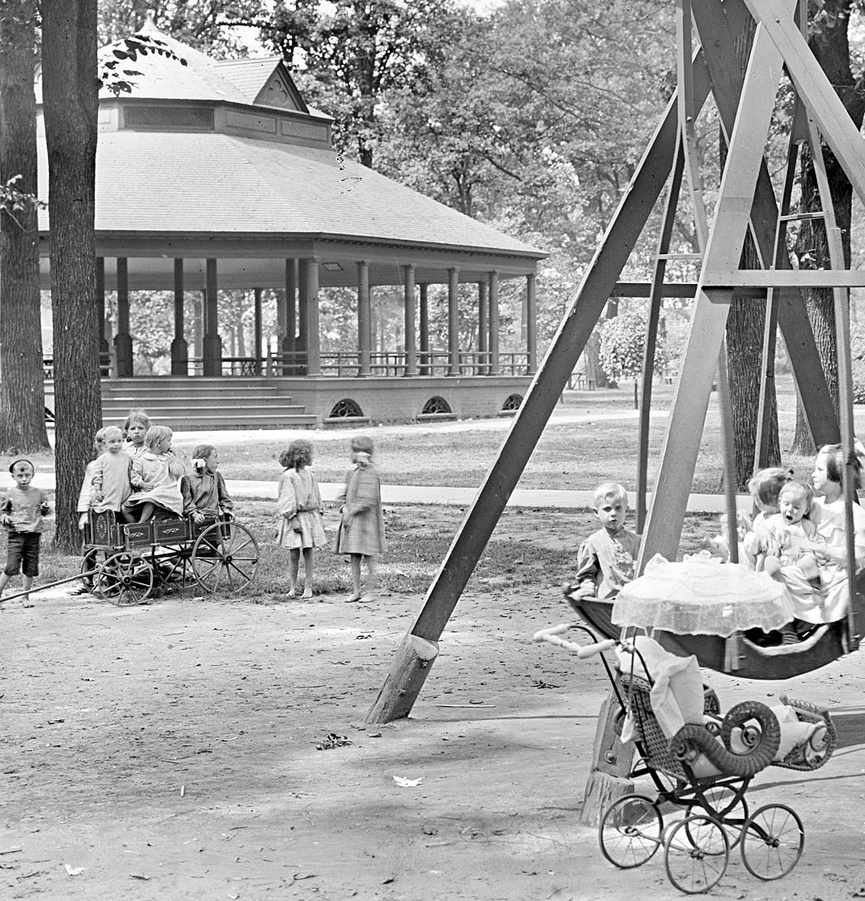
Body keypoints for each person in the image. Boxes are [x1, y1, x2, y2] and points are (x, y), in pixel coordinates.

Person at [567, 481, 641, 602]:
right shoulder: (593, 542)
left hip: (634, 601)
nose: (613, 514)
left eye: (618, 508)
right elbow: (587, 574)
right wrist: (587, 588)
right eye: (607, 509)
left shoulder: (637, 541)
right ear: (597, 512)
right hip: (608, 602)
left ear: (626, 511)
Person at [334, 435, 385, 603]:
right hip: (353, 523)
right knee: (354, 556)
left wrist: (352, 511)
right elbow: (345, 493)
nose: (352, 455)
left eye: (355, 452)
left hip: (366, 522)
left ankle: (370, 590)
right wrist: (344, 507)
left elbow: (369, 499)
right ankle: (356, 590)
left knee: (369, 556)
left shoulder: (372, 473)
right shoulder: (353, 472)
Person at [276, 439, 327, 599]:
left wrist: (319, 511)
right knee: (293, 553)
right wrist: (292, 518)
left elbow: (316, 495)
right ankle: (292, 587)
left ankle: (308, 587)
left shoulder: (309, 475)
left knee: (308, 551)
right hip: (296, 517)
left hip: (309, 517)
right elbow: (287, 498)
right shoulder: (289, 475)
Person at [0, 459, 51, 608]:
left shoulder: (39, 493)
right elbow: (2, 512)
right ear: (13, 476)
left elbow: (46, 511)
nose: (24, 479)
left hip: (33, 535)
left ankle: (25, 597)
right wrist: (5, 518)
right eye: (20, 476)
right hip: (16, 535)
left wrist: (45, 508)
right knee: (10, 568)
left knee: (30, 568)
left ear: (32, 475)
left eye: (27, 475)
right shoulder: (9, 494)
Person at [123, 425, 185, 523]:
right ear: (158, 443)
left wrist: (176, 459)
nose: (171, 444)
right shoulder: (142, 459)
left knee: (151, 500)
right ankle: (134, 529)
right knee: (125, 509)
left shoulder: (168, 459)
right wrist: (142, 483)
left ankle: (141, 524)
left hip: (167, 492)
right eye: (168, 441)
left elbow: (178, 472)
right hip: (149, 492)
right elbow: (134, 476)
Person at [742, 466, 794, 570]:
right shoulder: (763, 517)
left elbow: (754, 547)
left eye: (756, 497)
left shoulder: (777, 521)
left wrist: (748, 538)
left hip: (772, 569)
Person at [181, 444, 234, 530]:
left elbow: (224, 497)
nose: (217, 461)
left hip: (214, 519)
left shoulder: (216, 476)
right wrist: (194, 514)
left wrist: (227, 509)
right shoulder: (188, 479)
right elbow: (187, 501)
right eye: (215, 457)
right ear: (205, 460)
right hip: (197, 520)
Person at [90, 425, 133, 520]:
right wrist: (98, 490)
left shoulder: (127, 457)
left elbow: (130, 473)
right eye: (112, 442)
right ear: (105, 444)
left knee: (124, 513)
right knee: (111, 513)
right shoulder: (102, 460)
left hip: (124, 491)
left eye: (119, 441)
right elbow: (97, 476)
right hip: (109, 491)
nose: (116, 444)